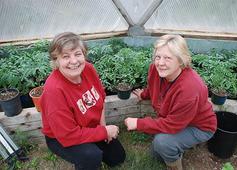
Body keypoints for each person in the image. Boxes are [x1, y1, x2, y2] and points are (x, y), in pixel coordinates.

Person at [124, 34, 217, 170]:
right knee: (156, 153)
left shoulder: (189, 88)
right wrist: (143, 95)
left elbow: (172, 125)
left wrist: (138, 123)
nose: (160, 63)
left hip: (199, 127)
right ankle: (178, 145)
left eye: (168, 58)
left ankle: (174, 166)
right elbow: (153, 87)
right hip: (180, 120)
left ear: (181, 60)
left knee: (162, 143)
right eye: (158, 57)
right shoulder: (156, 70)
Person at [41, 32, 126, 170]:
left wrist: (102, 127)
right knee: (91, 156)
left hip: (89, 127)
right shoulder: (54, 91)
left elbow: (101, 98)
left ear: (84, 54)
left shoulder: (88, 69)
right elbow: (68, 135)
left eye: (77, 54)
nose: (74, 61)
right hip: (61, 137)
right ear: (56, 60)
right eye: (66, 56)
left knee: (117, 157)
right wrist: (104, 133)